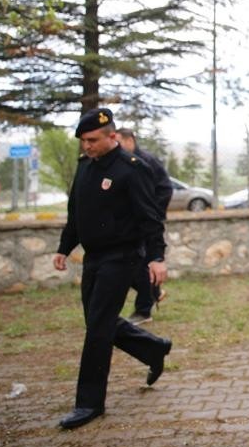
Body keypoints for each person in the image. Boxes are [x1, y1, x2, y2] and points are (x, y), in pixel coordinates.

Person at [52, 108, 173, 430]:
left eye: (92, 140)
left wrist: (157, 257)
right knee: (97, 321)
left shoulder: (131, 169)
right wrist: (64, 247)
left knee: (97, 330)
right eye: (83, 141)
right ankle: (153, 348)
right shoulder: (85, 167)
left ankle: (89, 403)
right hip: (93, 257)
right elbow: (76, 214)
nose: (87, 146)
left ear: (112, 136)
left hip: (122, 257)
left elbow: (150, 218)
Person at [117, 128, 173, 324]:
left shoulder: (146, 161)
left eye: (119, 142)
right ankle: (154, 292)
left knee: (141, 265)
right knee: (131, 265)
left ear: (129, 140)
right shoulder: (122, 162)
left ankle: (143, 310)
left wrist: (151, 214)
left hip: (147, 223)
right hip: (130, 224)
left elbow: (165, 188)